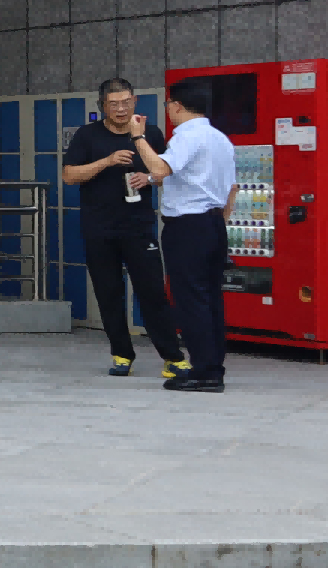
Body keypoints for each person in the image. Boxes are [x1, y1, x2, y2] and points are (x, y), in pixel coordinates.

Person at [59, 76, 187, 379]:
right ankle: (121, 353)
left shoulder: (150, 133)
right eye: (114, 104)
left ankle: (172, 357)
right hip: (99, 227)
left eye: (126, 102)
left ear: (135, 101)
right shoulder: (87, 135)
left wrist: (150, 178)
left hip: (139, 226)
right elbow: (69, 176)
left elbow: (165, 172)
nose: (121, 109)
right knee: (108, 293)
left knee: (152, 292)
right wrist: (107, 161)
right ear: (103, 105)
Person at [147, 77, 235, 393]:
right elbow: (232, 188)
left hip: (187, 227)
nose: (168, 110)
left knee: (190, 300)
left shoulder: (186, 136)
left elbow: (160, 169)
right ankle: (212, 367)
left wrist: (138, 138)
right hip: (213, 224)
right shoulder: (220, 138)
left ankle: (204, 372)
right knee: (210, 299)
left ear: (177, 105)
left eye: (168, 104)